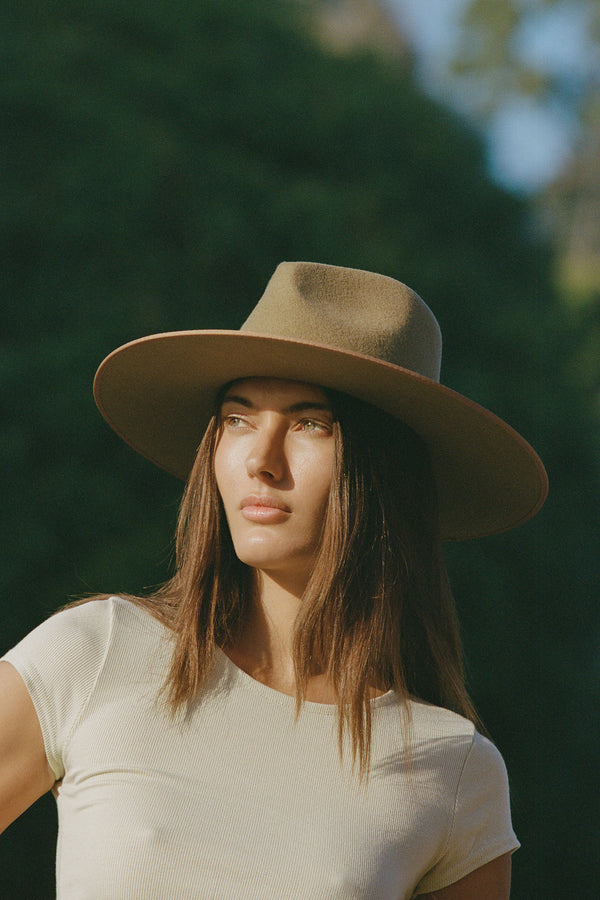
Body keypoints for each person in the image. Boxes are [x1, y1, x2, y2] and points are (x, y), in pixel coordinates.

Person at [0, 262, 547, 898]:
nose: (261, 459)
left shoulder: (453, 772)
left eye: (311, 424)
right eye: (238, 419)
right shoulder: (94, 652)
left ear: (386, 470)